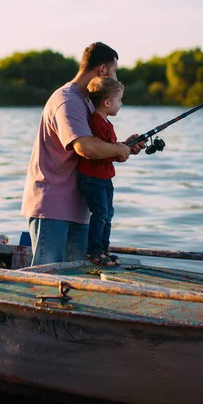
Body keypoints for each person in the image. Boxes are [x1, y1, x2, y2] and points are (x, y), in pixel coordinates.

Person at [21, 41, 145, 266]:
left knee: (76, 282)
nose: (116, 79)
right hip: (53, 206)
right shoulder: (68, 101)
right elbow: (85, 147)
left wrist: (123, 147)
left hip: (79, 206)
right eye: (115, 72)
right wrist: (118, 150)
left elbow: (98, 146)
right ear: (102, 70)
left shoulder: (88, 103)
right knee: (47, 280)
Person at [77, 77, 124, 267]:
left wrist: (126, 145)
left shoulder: (106, 122)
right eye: (119, 100)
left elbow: (111, 148)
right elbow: (99, 152)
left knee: (108, 214)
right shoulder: (96, 122)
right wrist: (118, 152)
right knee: (101, 214)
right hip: (93, 179)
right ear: (107, 102)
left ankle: (104, 249)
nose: (121, 104)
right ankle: (94, 251)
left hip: (105, 178)